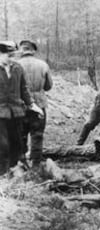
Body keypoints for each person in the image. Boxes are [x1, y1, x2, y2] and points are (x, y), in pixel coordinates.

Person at [0, 41, 43, 175]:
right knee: (3, 145)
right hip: (0, 113)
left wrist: (33, 105)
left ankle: (14, 170)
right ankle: (3, 174)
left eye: (13, 55)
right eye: (9, 55)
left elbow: (24, 89)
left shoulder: (18, 68)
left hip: (17, 112)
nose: (12, 58)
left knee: (17, 143)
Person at [18, 39, 53, 168]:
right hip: (39, 104)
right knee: (37, 135)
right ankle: (36, 165)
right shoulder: (43, 65)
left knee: (20, 135)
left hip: (20, 105)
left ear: (22, 50)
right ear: (33, 50)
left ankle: (21, 164)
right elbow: (49, 86)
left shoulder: (14, 65)